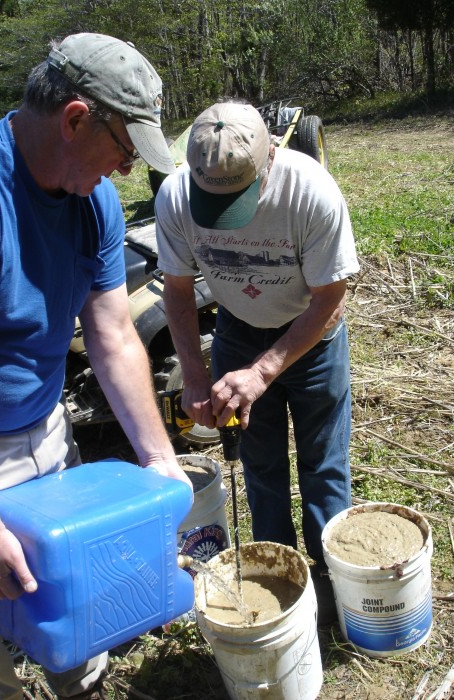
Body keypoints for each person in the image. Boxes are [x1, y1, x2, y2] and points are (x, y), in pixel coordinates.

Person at [0, 33, 192, 700]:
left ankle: (83, 687)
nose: (125, 171)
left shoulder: (94, 203)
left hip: (44, 428)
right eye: (124, 151)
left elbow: (115, 335)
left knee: (78, 605)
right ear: (74, 119)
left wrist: (161, 460)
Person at [155, 101, 359, 625]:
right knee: (260, 466)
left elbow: (330, 298)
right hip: (237, 334)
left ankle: (336, 584)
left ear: (270, 157)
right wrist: (196, 377)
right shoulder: (176, 197)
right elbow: (176, 293)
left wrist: (264, 372)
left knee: (323, 467)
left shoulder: (310, 191)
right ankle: (280, 584)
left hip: (312, 339)